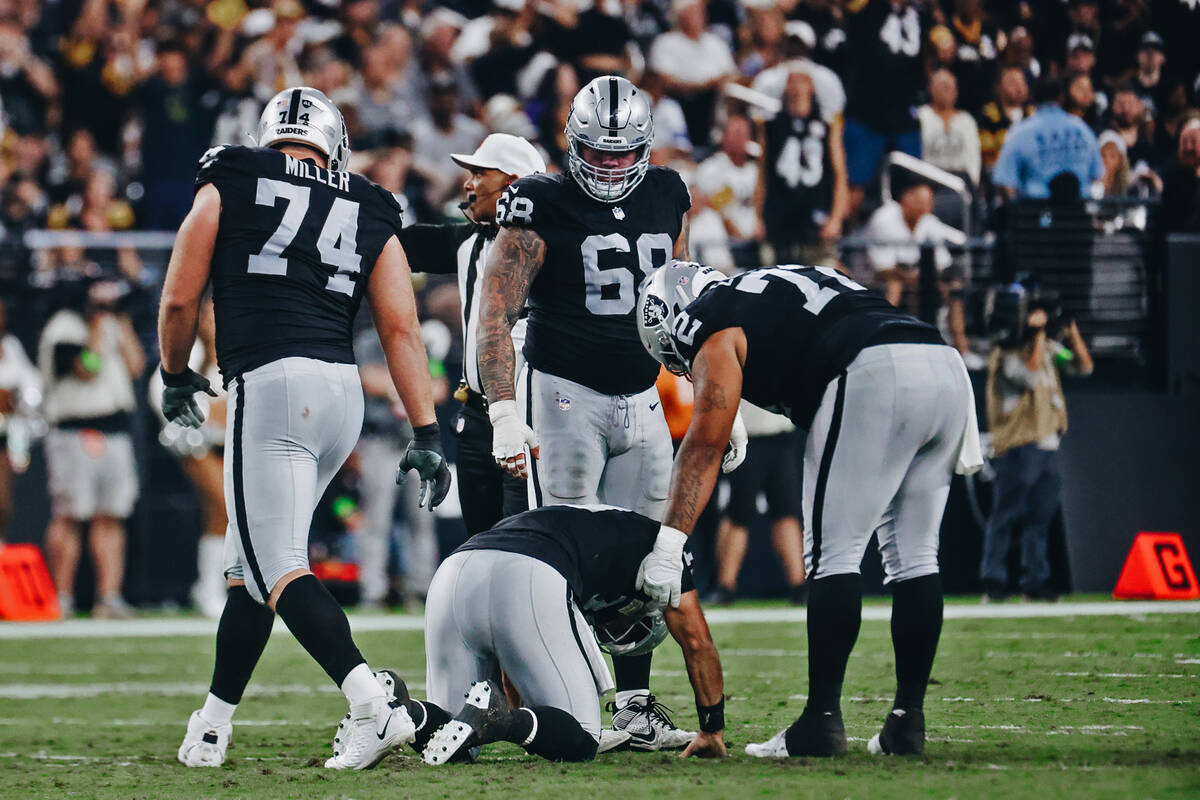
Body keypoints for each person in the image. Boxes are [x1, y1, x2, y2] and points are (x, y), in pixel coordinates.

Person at [159, 87, 451, 771]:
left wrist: (176, 373)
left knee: (277, 563)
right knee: (250, 567)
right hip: (342, 394)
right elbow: (400, 326)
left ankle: (371, 706)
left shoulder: (232, 172)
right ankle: (211, 725)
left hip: (270, 382)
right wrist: (427, 429)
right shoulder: (370, 201)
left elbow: (179, 295)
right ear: (333, 145)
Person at [634, 261, 981, 758]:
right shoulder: (768, 283)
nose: (682, 364)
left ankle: (820, 721)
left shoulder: (705, 316)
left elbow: (702, 447)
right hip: (941, 363)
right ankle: (907, 721)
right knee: (916, 557)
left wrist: (669, 544)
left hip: (870, 368)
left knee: (833, 555)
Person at [476, 75, 731, 750]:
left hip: (643, 392)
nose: (614, 167)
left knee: (645, 551)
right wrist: (503, 407)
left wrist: (715, 399)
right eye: (601, 153)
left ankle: (635, 705)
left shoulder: (670, 192)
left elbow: (681, 305)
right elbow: (495, 309)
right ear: (573, 143)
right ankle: (548, 707)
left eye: (625, 155)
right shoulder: (538, 201)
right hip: (564, 393)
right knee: (561, 552)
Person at [411, 504, 725, 763]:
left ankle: (397, 709)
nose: (615, 631)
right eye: (626, 625)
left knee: (456, 741)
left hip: (454, 571)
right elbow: (697, 643)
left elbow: (512, 645)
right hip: (529, 571)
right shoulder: (663, 551)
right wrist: (712, 730)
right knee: (582, 738)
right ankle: (500, 719)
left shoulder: (588, 529)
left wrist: (513, 701)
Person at [398, 133, 545, 535]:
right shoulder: (467, 242)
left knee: (526, 540)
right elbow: (395, 242)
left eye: (480, 173)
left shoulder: (555, 244)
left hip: (536, 415)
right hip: (477, 414)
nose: (468, 183)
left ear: (513, 183)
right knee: (482, 540)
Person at [38, 277, 145, 619]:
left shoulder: (115, 325)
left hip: (115, 429)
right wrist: (98, 325)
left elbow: (136, 366)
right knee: (70, 514)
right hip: (75, 430)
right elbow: (87, 368)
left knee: (111, 515)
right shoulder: (64, 328)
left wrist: (121, 322)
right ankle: (63, 595)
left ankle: (109, 596)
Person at [980, 299, 1093, 602]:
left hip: (1047, 445)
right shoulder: (1006, 356)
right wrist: (1039, 336)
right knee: (1006, 515)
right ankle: (994, 581)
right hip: (1018, 446)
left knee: (1040, 517)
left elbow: (1083, 366)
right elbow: (1028, 377)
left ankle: (1035, 580)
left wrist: (1070, 332)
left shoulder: (1049, 352)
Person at [863, 181, 974, 363]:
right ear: (906, 199)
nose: (927, 207)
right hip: (872, 279)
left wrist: (927, 280)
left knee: (953, 286)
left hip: (918, 279)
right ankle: (881, 342)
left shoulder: (929, 222)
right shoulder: (884, 218)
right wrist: (917, 278)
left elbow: (941, 265)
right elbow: (883, 270)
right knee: (895, 285)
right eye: (922, 202)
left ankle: (962, 348)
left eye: (930, 203)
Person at [709, 401, 806, 606]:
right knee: (739, 513)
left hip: (781, 438)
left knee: (787, 511)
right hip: (745, 437)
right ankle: (725, 585)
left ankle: (799, 585)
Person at [756, 69, 849, 267]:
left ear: (812, 88)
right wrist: (758, 217)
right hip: (780, 221)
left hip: (816, 220)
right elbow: (762, 175)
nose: (797, 87)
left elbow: (840, 175)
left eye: (803, 81)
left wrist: (835, 218)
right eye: (792, 82)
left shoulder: (828, 126)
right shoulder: (770, 126)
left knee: (825, 280)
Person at [992, 76, 1103, 201]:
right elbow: (1097, 176)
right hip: (1079, 215)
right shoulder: (1082, 129)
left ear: (1032, 98)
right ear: (1061, 97)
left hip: (1036, 213)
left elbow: (1004, 182)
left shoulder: (1020, 132)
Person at [917, 69, 981, 186]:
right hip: (929, 179)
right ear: (930, 89)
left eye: (951, 87)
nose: (947, 90)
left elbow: (973, 158)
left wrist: (972, 184)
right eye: (942, 86)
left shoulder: (967, 120)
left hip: (961, 181)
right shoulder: (921, 117)